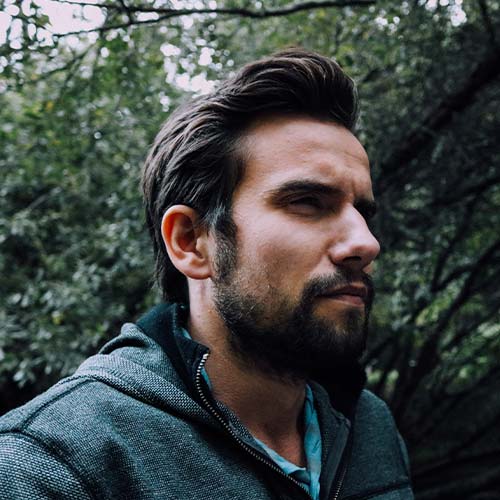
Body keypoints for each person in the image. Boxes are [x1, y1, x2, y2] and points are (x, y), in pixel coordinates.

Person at [0, 49, 414, 499]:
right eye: (307, 202)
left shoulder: (367, 424)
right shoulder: (50, 465)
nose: (366, 243)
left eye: (363, 212)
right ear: (191, 242)